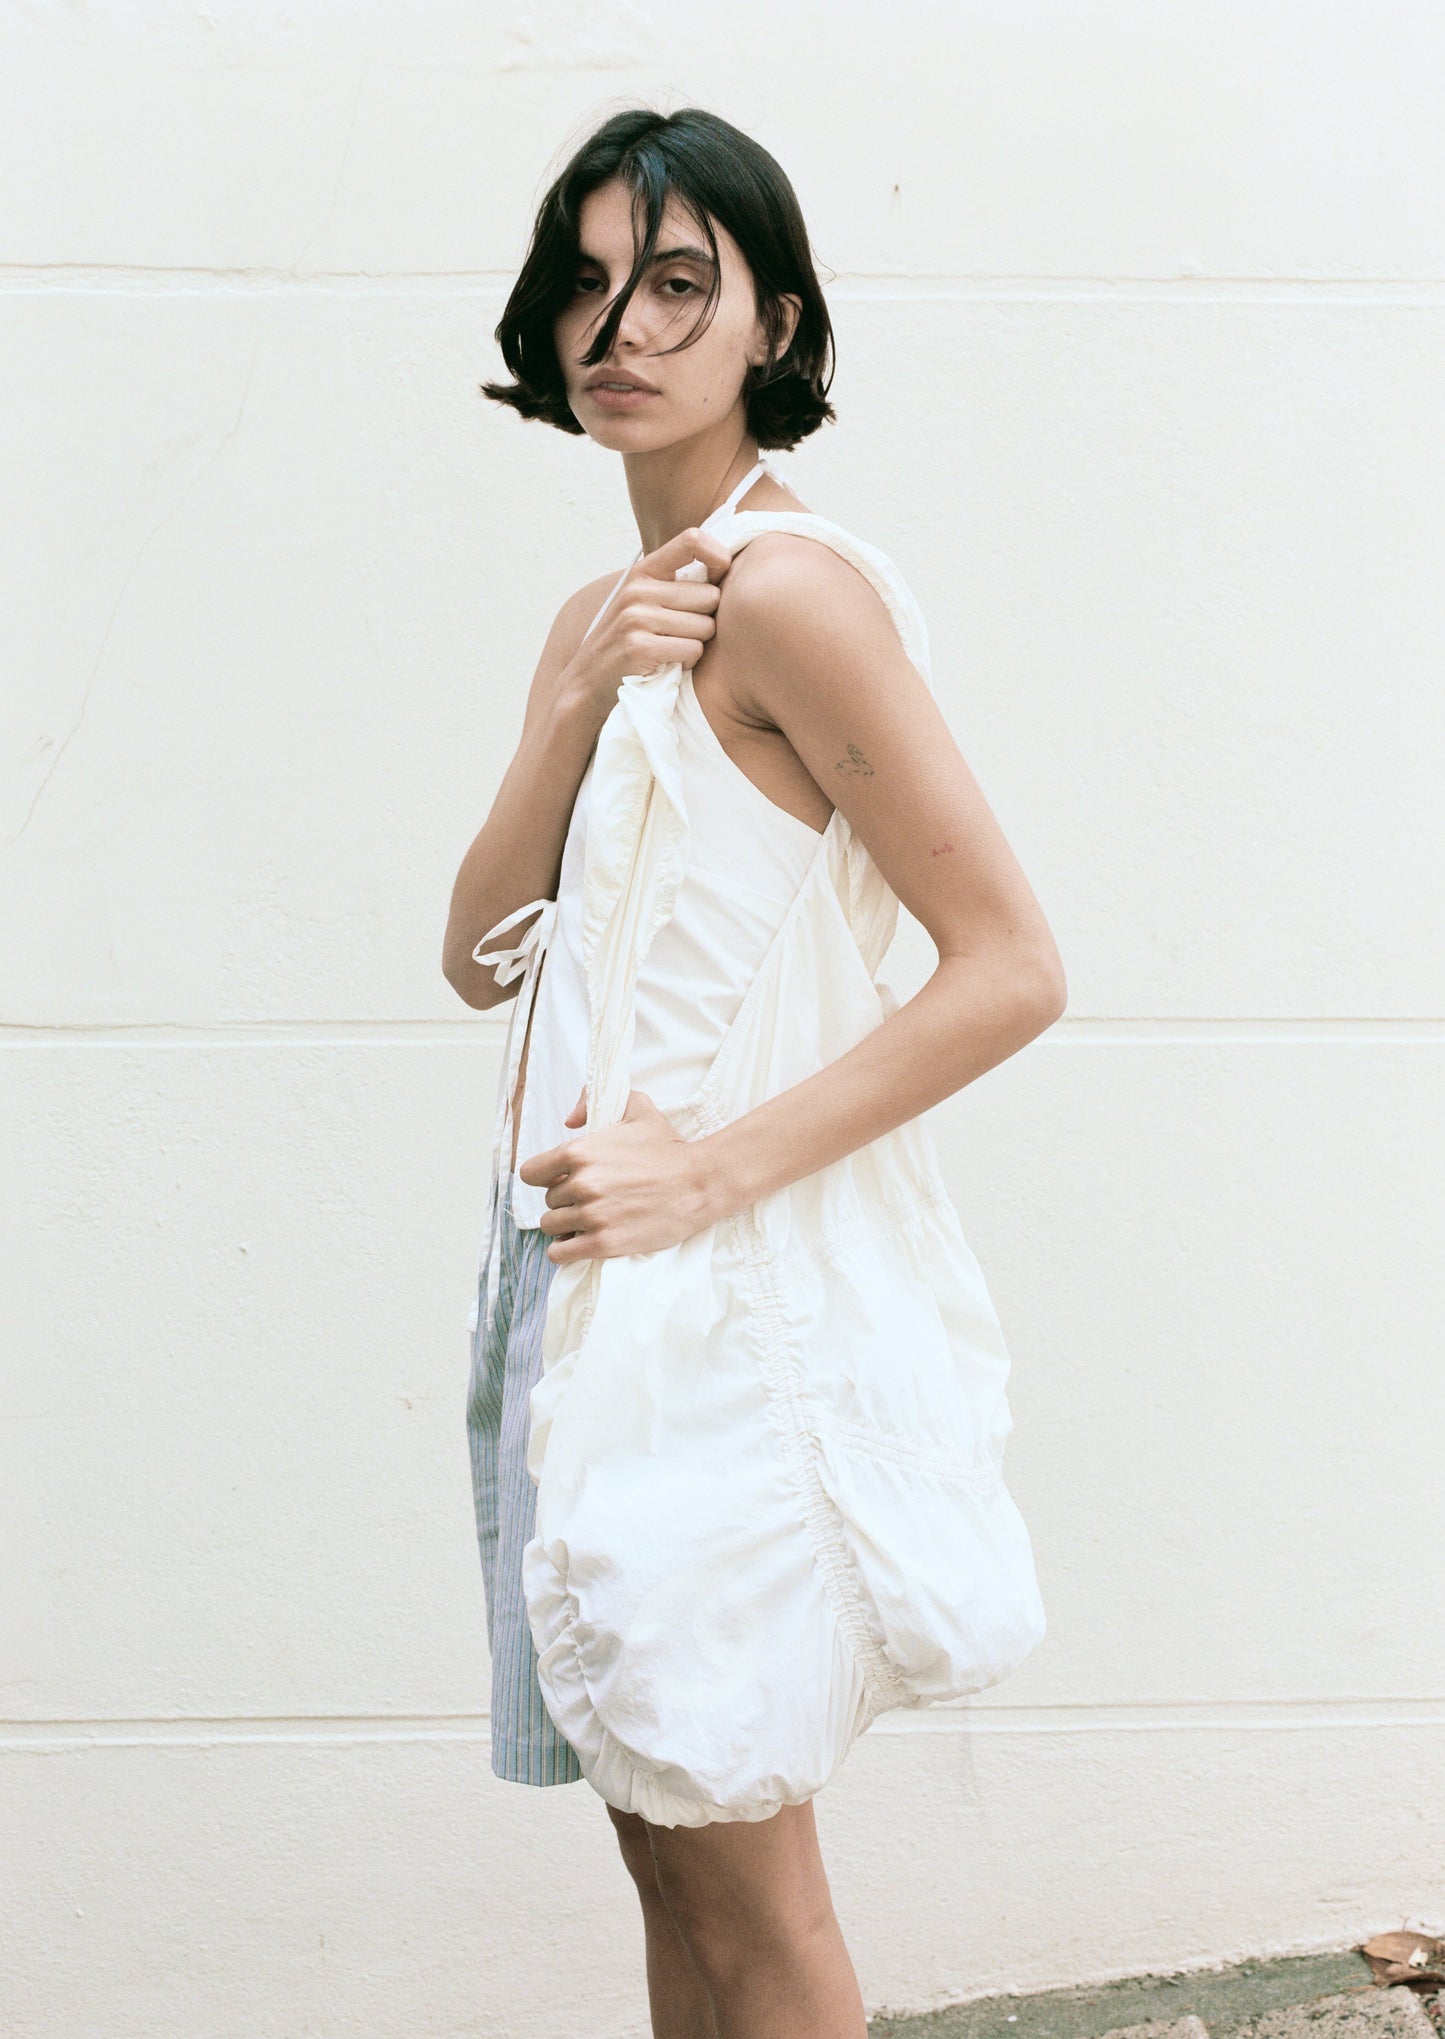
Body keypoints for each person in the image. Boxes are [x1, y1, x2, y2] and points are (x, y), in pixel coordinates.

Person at [442, 104, 1066, 2039]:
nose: (616, 326)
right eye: (583, 284)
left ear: (775, 329)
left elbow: (1012, 971)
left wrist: (703, 1175)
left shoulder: (792, 593)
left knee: (751, 1879)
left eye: (677, 284)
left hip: (715, 1298)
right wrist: (570, 695)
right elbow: (475, 961)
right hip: (565, 1281)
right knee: (661, 1842)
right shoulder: (610, 621)